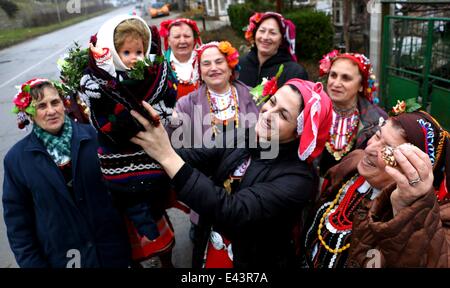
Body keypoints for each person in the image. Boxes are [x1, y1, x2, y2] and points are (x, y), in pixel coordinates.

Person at [130, 78, 333, 268]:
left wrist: (167, 156)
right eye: (272, 102)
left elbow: (233, 210)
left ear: (301, 131)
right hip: (208, 247)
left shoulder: (298, 179)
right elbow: (197, 155)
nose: (268, 113)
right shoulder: (247, 135)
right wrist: (148, 134)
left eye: (283, 114)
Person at [79, 14, 176, 267]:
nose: (135, 58)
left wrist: (159, 113)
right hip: (118, 155)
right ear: (112, 52)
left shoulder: (152, 76)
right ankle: (145, 234)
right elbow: (100, 116)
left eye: (139, 51)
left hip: (149, 155)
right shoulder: (100, 80)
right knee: (129, 198)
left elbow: (165, 100)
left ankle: (158, 239)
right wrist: (121, 119)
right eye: (127, 52)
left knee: (155, 195)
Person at [302, 103, 450, 268]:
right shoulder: (353, 163)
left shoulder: (432, 221)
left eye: (387, 149)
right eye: (378, 136)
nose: (370, 148)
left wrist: (408, 209)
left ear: (411, 169)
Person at [3, 78, 130, 268]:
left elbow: (123, 190)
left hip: (111, 254)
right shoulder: (17, 160)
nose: (51, 111)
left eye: (55, 102)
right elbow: (18, 226)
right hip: (64, 260)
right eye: (41, 106)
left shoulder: (94, 139)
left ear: (64, 104)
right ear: (29, 113)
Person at [317, 50, 387, 176]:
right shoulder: (313, 110)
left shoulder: (378, 122)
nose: (336, 83)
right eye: (333, 75)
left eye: (346, 78)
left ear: (361, 85)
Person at [238, 12, 308, 88]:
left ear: (281, 40)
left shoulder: (294, 73)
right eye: (262, 31)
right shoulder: (239, 65)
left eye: (272, 33)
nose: (265, 37)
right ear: (255, 34)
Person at [160, 18, 202, 99]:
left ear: (194, 39)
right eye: (176, 37)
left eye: (187, 36)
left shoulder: (204, 60)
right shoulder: (160, 65)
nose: (182, 41)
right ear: (168, 40)